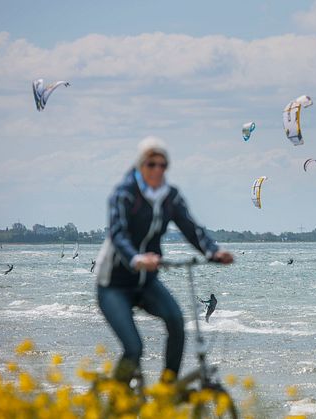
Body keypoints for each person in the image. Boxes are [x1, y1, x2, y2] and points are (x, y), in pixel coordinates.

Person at [95, 137, 234, 385]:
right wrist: (136, 258)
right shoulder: (124, 194)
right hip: (113, 285)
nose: (157, 170)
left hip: (146, 282)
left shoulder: (170, 196)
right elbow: (117, 234)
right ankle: (116, 403)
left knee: (177, 322)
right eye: (151, 164)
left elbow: (192, 229)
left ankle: (166, 392)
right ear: (140, 165)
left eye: (163, 165)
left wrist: (213, 252)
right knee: (135, 349)